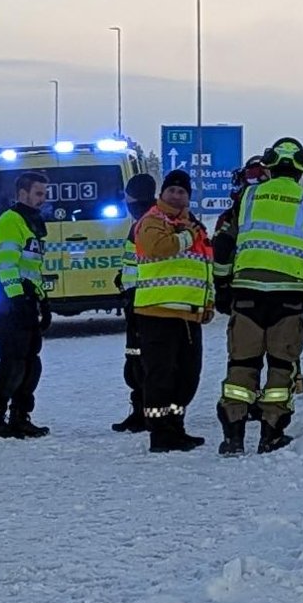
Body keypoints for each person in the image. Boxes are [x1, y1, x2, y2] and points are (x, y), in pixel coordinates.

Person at [211, 137, 303, 455]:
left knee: (242, 364)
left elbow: (223, 245)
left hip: (247, 293)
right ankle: (271, 435)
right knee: (282, 365)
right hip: (290, 298)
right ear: (301, 167)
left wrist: (221, 288)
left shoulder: (248, 197)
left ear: (270, 163)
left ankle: (233, 437)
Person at [134, 169, 216, 452]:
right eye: (172, 190)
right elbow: (157, 247)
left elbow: (205, 266)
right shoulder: (153, 220)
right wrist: (186, 236)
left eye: (182, 192)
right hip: (158, 313)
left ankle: (177, 426)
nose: (177, 195)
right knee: (160, 375)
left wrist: (208, 303)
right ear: (162, 193)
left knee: (187, 377)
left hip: (189, 314)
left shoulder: (194, 226)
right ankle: (159, 433)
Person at [0, 170, 53, 440]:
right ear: (22, 193)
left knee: (30, 363)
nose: (42, 199)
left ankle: (20, 417)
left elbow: (32, 268)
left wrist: (42, 300)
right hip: (11, 300)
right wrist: (17, 299)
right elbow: (7, 266)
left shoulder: (31, 221)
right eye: (38, 193)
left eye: (44, 194)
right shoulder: (11, 221)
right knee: (12, 363)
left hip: (27, 298)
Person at [111, 172, 160, 433]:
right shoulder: (143, 220)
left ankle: (147, 413)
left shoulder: (148, 221)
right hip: (136, 299)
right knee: (135, 357)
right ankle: (140, 410)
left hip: (144, 300)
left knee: (142, 360)